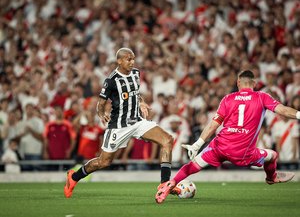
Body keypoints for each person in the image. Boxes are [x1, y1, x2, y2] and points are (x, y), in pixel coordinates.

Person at [155, 70, 297, 204]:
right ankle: (271, 177)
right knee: (272, 155)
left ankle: (170, 184)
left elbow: (213, 125)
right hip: (243, 151)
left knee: (193, 165)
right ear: (254, 83)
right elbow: (284, 110)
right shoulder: (262, 97)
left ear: (238, 83)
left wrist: (197, 144)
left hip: (220, 146)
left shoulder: (228, 98)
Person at [64, 48, 173, 198]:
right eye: (128, 59)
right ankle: (74, 177)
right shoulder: (111, 81)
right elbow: (101, 104)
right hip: (118, 126)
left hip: (137, 121)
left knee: (167, 140)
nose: (132, 62)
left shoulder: (136, 73)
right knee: (104, 162)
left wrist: (141, 102)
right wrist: (101, 113)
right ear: (119, 61)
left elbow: (136, 92)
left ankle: (164, 184)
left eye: (133, 58)